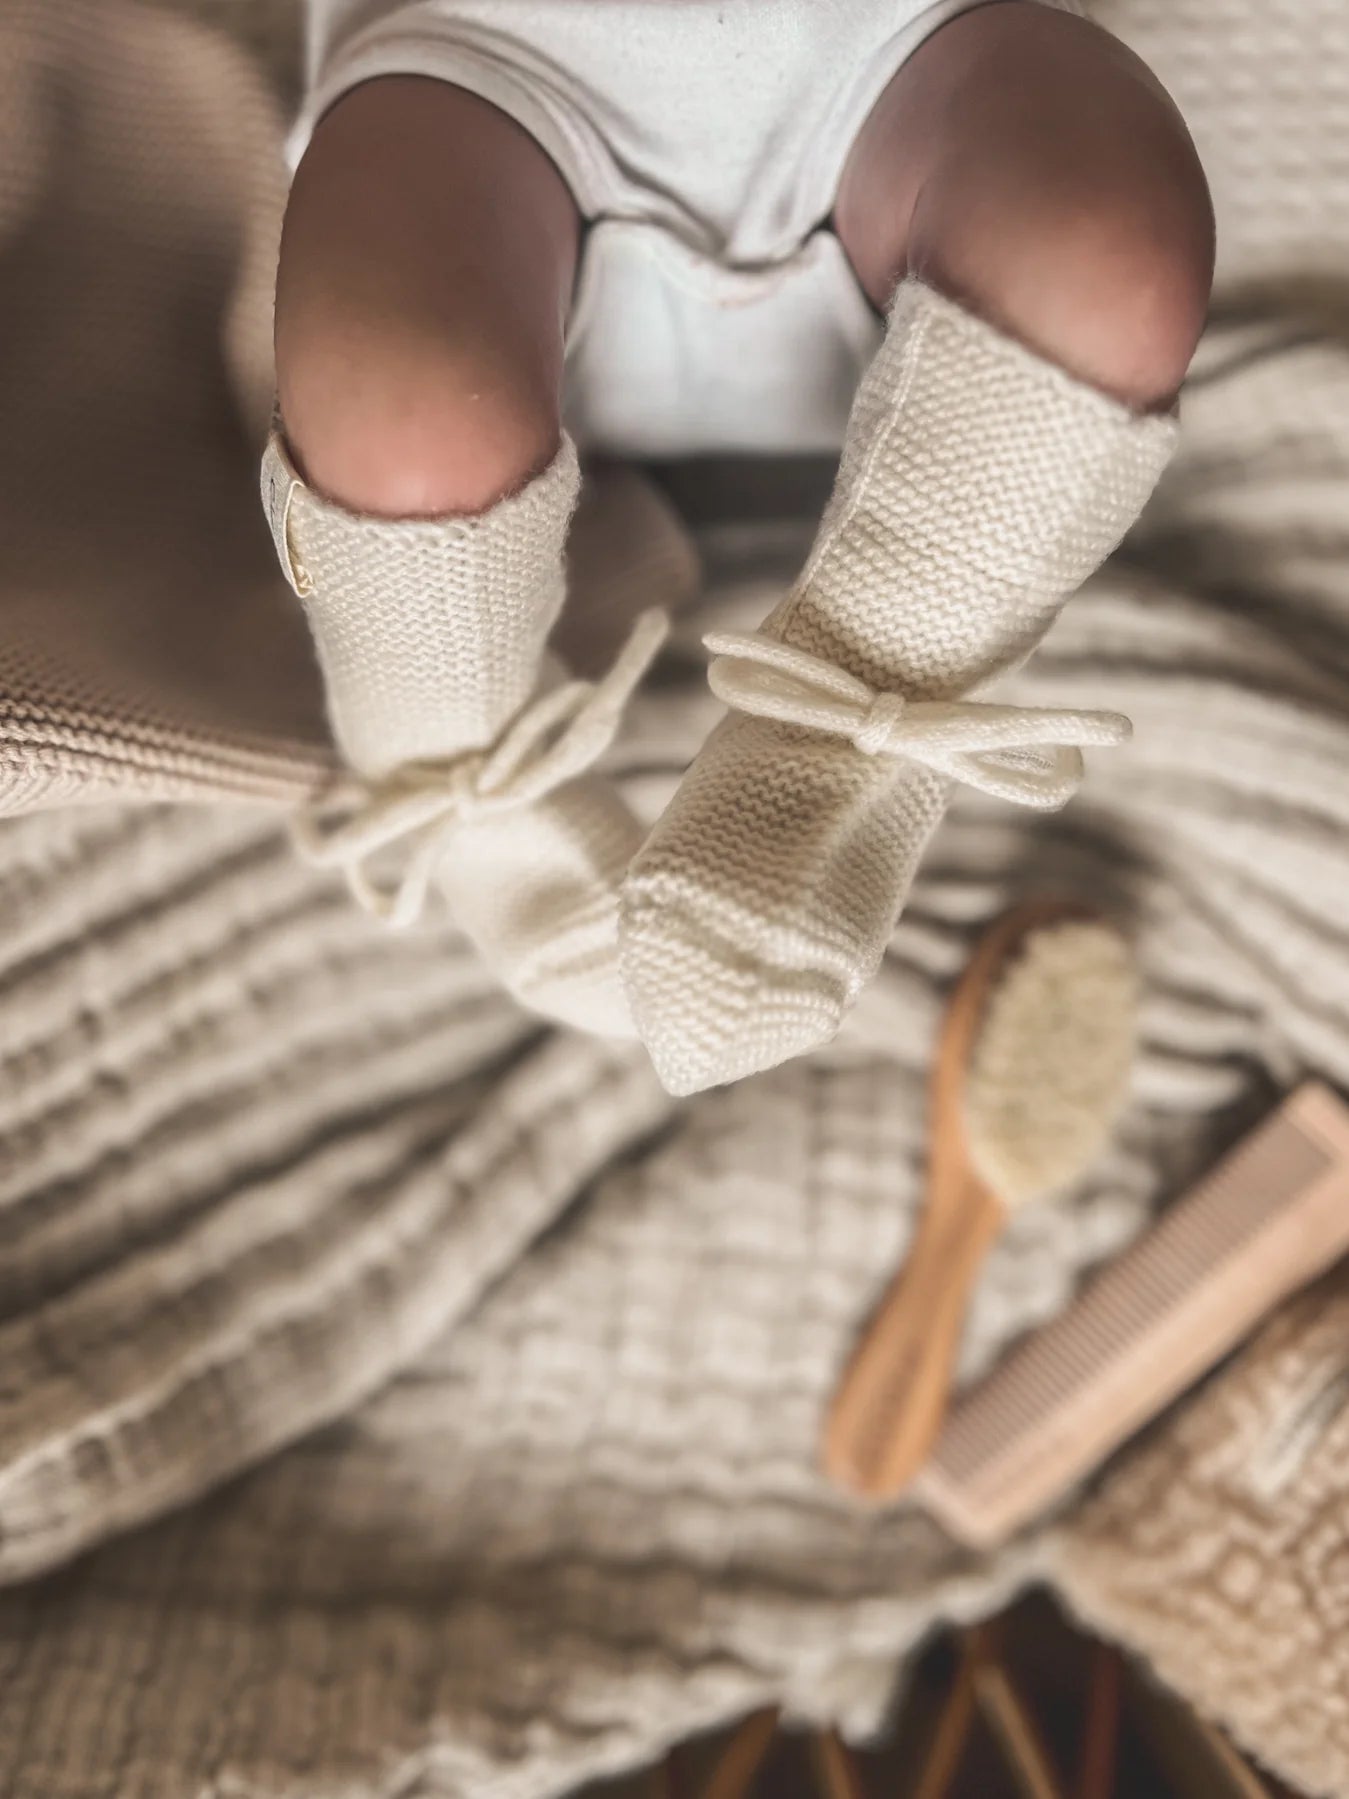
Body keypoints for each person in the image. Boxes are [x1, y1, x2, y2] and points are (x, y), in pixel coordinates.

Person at [261, 0, 1214, 1093]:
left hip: (904, 69)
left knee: (1100, 240)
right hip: (486, 67)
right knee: (403, 405)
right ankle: (446, 739)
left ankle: (856, 706)